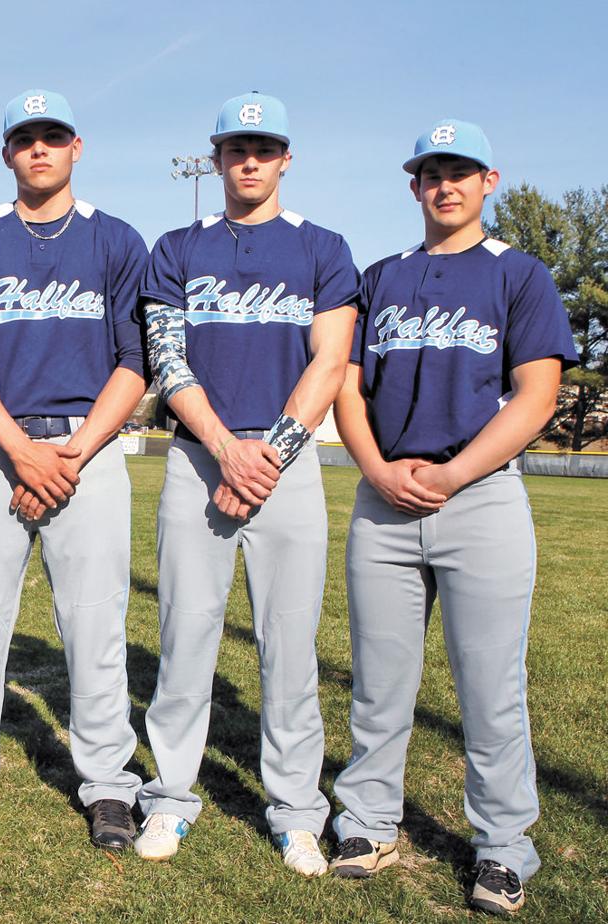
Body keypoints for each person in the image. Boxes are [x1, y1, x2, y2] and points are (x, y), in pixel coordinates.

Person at [329, 119, 577, 915]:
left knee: (490, 687)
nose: (446, 184)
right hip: (384, 500)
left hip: (482, 499)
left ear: (488, 181)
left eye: (460, 171)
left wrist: (456, 471)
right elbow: (346, 387)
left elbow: (539, 393)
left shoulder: (521, 273)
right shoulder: (382, 276)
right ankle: (367, 824)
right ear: (414, 186)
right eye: (432, 171)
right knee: (379, 684)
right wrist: (373, 467)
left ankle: (504, 849)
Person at [134, 92, 359, 874]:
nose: (250, 160)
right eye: (237, 147)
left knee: (288, 647)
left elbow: (331, 362)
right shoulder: (176, 247)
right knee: (185, 638)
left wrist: (270, 453)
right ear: (218, 154)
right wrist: (228, 448)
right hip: (199, 461)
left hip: (288, 470)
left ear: (286, 156)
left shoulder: (323, 247)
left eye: (264, 147)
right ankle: (168, 797)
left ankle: (297, 810)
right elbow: (167, 360)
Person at [0, 89, 147, 851]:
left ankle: (110, 786)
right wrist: (21, 451)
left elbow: (135, 359)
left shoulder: (115, 239)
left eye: (53, 136)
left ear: (77, 146)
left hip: (89, 449)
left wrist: (74, 451)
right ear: (7, 152)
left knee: (95, 625)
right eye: (26, 138)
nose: (40, 149)